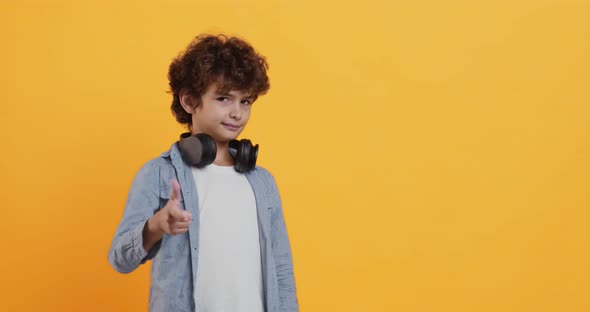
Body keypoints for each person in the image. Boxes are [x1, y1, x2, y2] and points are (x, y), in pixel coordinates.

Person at [108, 34, 299, 312]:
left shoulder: (262, 181)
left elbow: (281, 270)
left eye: (245, 101)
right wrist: (156, 226)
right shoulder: (159, 174)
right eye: (224, 98)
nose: (237, 113)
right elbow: (119, 259)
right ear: (189, 101)